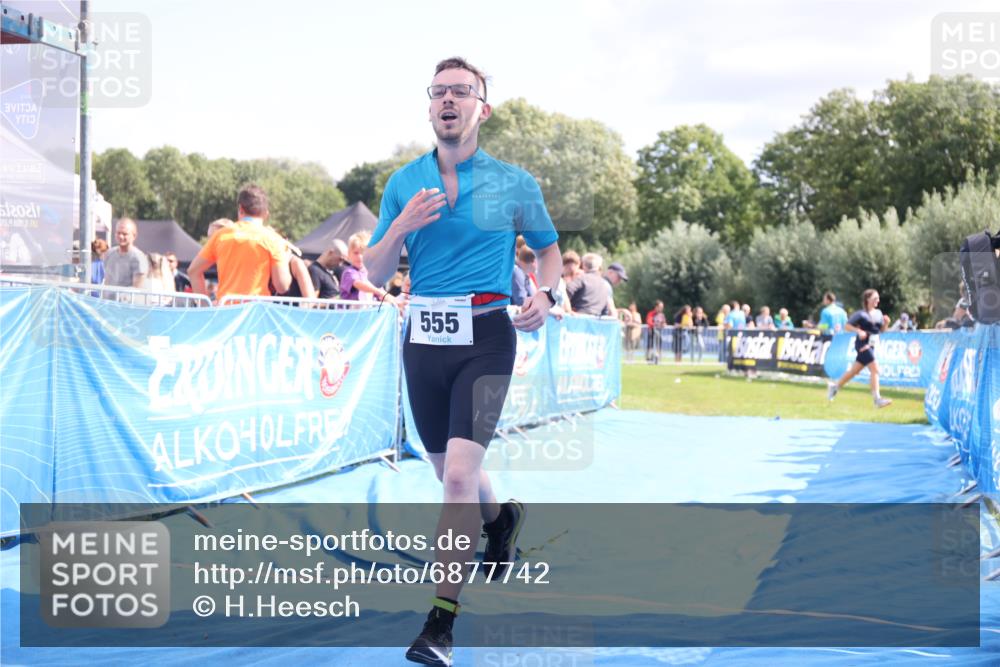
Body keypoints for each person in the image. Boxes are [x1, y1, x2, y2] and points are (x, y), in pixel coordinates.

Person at [361, 57, 561, 667]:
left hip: (486, 336)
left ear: (483, 108)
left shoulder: (513, 183)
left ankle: (439, 625)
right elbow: (372, 271)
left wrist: (546, 294)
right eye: (439, 92)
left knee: (454, 481)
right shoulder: (404, 182)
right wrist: (397, 227)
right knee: (453, 472)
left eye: (462, 92)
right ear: (429, 106)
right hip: (422, 339)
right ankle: (499, 522)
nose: (449, 100)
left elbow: (549, 253)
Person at [188, 185, 293, 303]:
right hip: (256, 313)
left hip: (226, 312)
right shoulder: (274, 239)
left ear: (240, 209)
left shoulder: (221, 235)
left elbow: (193, 271)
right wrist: (284, 259)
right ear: (266, 214)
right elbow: (282, 286)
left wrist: (205, 307)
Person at [827, 289, 893, 408]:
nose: (878, 300)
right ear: (867, 300)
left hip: (872, 346)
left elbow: (880, 331)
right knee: (875, 369)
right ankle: (877, 399)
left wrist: (886, 324)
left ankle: (835, 387)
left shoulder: (878, 313)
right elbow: (846, 326)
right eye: (875, 298)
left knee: (854, 371)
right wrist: (858, 331)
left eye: (878, 298)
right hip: (862, 345)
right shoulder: (860, 314)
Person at [340, 231, 395, 304]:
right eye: (356, 253)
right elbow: (359, 284)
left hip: (367, 312)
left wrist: (392, 299)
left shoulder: (371, 274)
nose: (359, 257)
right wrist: (379, 292)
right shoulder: (349, 272)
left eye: (363, 253)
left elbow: (381, 293)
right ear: (349, 254)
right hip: (350, 313)